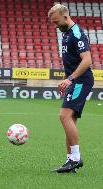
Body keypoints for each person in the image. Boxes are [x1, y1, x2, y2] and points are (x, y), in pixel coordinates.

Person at [48, 4, 94, 173]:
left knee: (64, 116)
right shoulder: (67, 33)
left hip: (81, 80)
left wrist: (70, 79)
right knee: (70, 119)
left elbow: (87, 60)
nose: (55, 25)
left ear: (65, 17)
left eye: (57, 22)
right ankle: (70, 161)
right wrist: (67, 80)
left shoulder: (77, 33)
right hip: (75, 81)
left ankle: (75, 158)